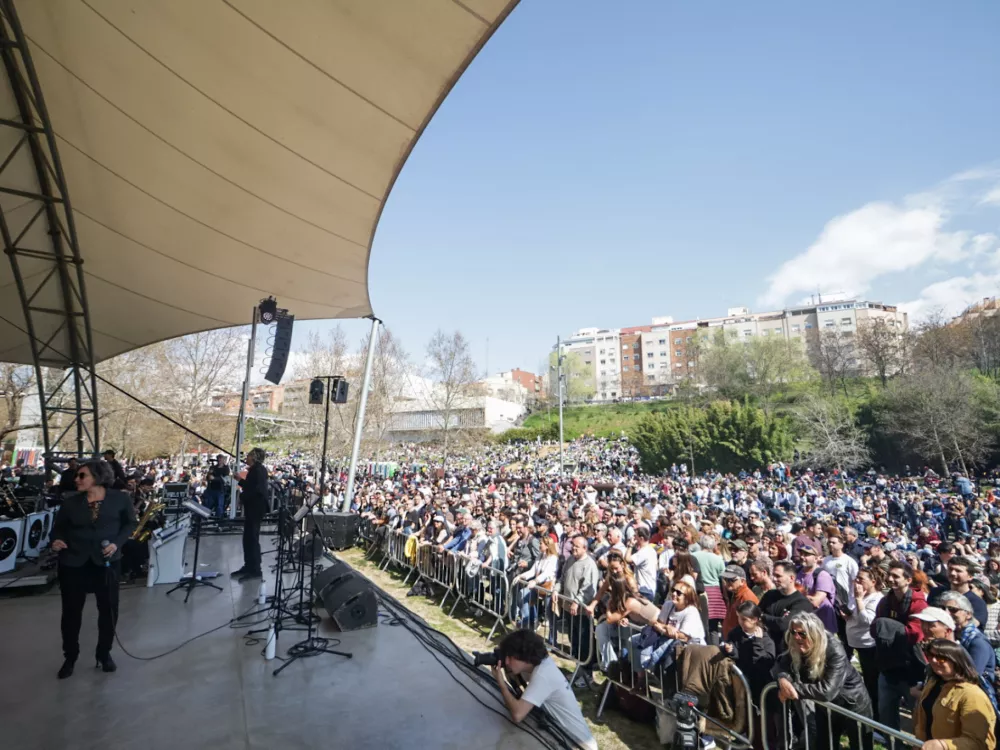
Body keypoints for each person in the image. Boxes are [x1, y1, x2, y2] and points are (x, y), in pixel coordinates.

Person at [50, 459, 137, 678]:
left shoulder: (120, 499)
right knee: (71, 613)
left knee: (108, 610)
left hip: (107, 563)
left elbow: (129, 523)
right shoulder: (70, 503)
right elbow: (58, 528)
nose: (76, 479)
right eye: (77, 476)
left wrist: (117, 542)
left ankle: (104, 653)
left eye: (82, 475)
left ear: (97, 478)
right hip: (74, 562)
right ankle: (70, 656)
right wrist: (57, 540)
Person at [773, 612, 873, 750]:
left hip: (853, 705)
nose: (796, 637)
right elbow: (781, 664)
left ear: (814, 633)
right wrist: (783, 679)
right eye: (793, 632)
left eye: (802, 634)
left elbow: (827, 691)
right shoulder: (795, 642)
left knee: (860, 746)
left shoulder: (835, 650)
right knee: (823, 745)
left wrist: (793, 688)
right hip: (825, 707)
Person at [491, 629, 598, 750]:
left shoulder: (543, 674)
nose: (506, 662)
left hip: (578, 744)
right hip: (563, 734)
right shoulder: (539, 663)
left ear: (524, 656)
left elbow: (517, 714)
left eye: (510, 658)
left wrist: (501, 684)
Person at [872, 560, 928, 730]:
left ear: (908, 580)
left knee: (918, 717)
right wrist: (890, 629)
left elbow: (914, 634)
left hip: (911, 670)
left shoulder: (919, 604)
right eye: (889, 575)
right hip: (888, 667)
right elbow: (874, 629)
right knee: (886, 715)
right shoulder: (885, 602)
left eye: (896, 576)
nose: (890, 579)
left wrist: (887, 628)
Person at [913, 639, 997, 750]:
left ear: (956, 661)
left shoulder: (972, 695)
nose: (933, 660)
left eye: (941, 658)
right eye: (929, 655)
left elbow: (978, 742)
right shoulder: (933, 683)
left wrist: (944, 745)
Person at [939, 591, 997, 701]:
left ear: (968, 614)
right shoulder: (952, 635)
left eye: (953, 610)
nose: (946, 613)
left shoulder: (977, 642)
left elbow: (971, 677)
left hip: (974, 699)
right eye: (943, 608)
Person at [846, 567, 884, 718]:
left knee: (871, 681)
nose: (857, 582)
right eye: (857, 578)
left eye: (861, 579)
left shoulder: (876, 598)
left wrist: (859, 599)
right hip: (857, 644)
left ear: (873, 582)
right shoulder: (860, 595)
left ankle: (875, 715)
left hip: (869, 646)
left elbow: (868, 620)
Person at [723, 601, 776, 702]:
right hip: (740, 682)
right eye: (738, 618)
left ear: (754, 619)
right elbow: (735, 653)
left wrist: (758, 642)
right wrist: (730, 650)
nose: (740, 622)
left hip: (760, 685)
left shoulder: (766, 639)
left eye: (744, 619)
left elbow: (765, 662)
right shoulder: (735, 633)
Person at [232, 447, 268, 583]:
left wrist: (243, 496)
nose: (246, 458)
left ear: (254, 457)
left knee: (252, 538)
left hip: (256, 508)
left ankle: (255, 570)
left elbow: (256, 490)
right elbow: (250, 486)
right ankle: (248, 566)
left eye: (248, 456)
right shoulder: (255, 470)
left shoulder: (258, 471)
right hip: (252, 508)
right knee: (247, 538)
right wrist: (240, 481)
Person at [759, 560, 813, 649]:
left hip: (788, 651)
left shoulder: (801, 603)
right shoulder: (769, 595)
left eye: (778, 576)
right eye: (774, 575)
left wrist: (762, 617)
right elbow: (755, 615)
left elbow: (784, 625)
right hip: (767, 648)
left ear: (791, 578)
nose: (774, 579)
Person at [721, 563, 759, 637]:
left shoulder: (747, 597)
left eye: (732, 580)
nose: (727, 583)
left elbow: (750, 624)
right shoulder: (735, 593)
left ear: (742, 581)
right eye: (725, 579)